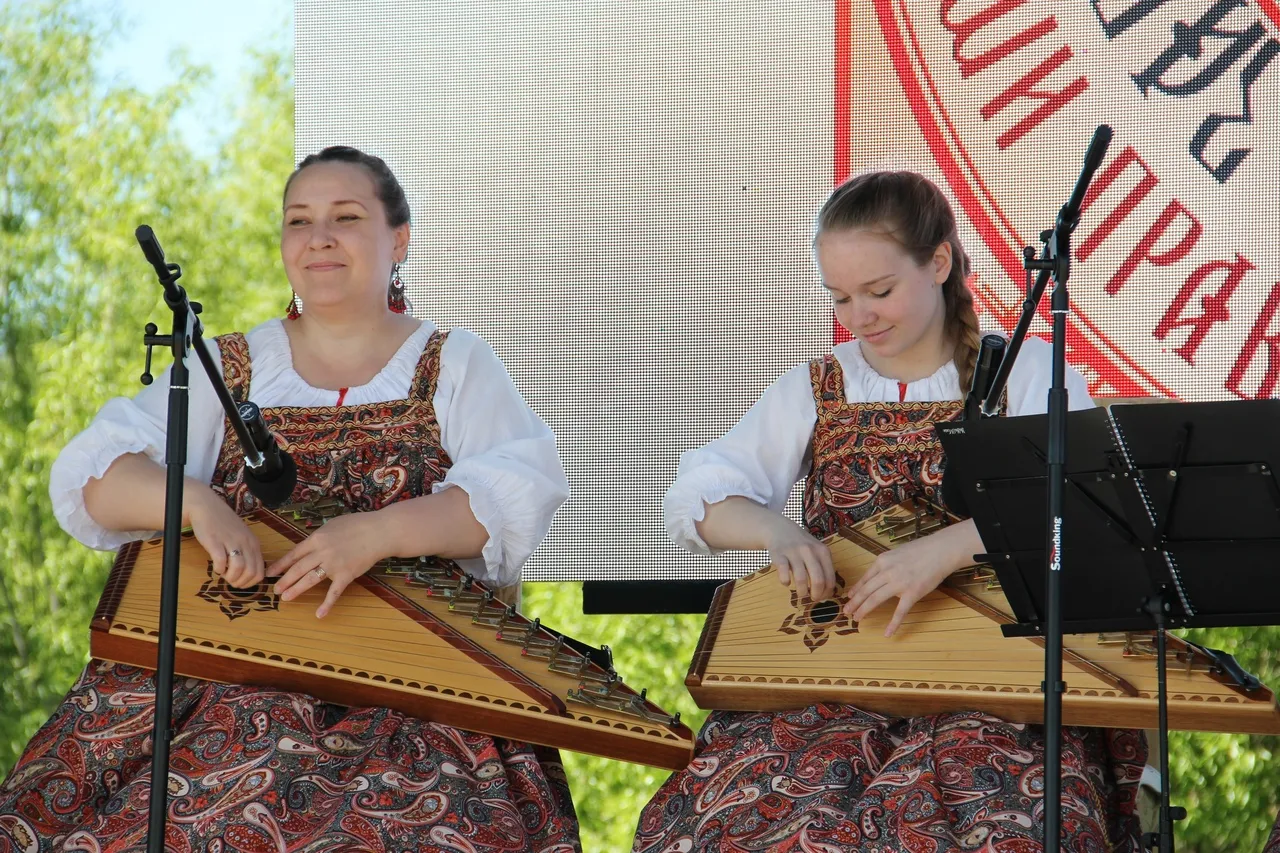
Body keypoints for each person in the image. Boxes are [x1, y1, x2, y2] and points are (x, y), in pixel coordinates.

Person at [0, 146, 581, 853]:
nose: (319, 237)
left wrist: (377, 532)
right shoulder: (226, 365)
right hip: (228, 680)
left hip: (415, 689)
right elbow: (93, 475)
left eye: (346, 217)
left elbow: (520, 492)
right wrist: (197, 502)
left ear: (398, 239)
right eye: (298, 220)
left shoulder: (455, 362)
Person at [633, 170, 1146, 852]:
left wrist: (948, 548)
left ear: (938, 263)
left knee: (991, 824)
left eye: (879, 291)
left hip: (995, 688)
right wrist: (775, 528)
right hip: (834, 685)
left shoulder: (1025, 375)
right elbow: (694, 500)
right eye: (840, 297)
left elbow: (1086, 503)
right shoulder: (818, 386)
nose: (859, 316)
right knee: (734, 822)